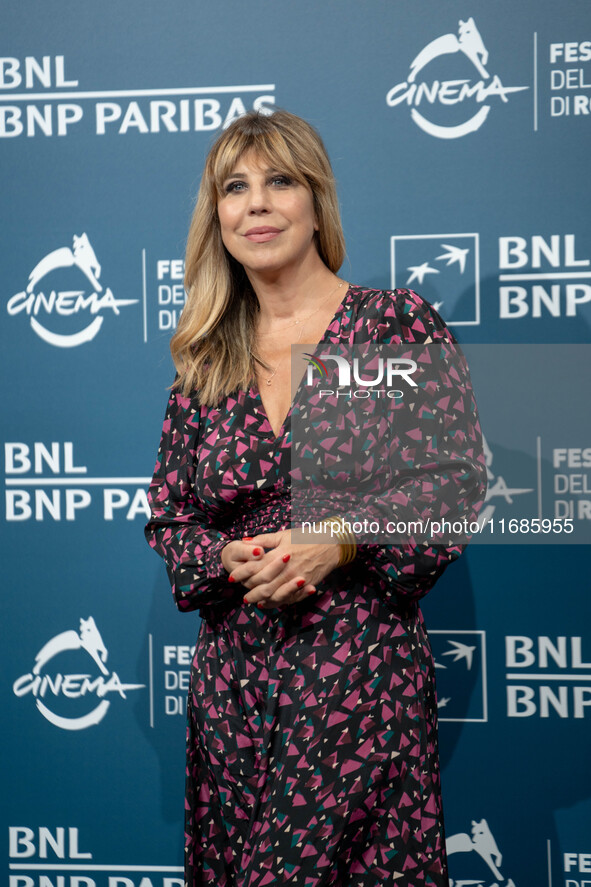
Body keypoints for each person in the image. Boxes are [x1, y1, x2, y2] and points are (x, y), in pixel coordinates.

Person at [145, 109, 486, 886]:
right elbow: (170, 514)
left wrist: (342, 537)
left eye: (279, 181)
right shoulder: (207, 358)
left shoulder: (387, 324)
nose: (256, 204)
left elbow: (452, 482)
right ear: (217, 216)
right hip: (233, 687)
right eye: (235, 187)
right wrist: (218, 554)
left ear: (315, 200)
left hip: (358, 676)